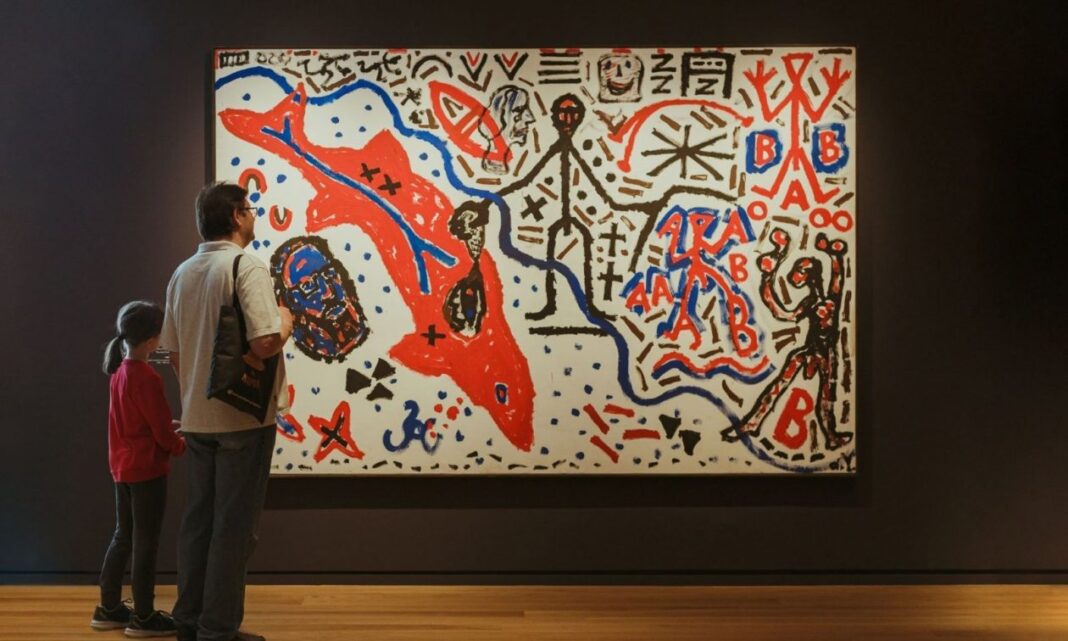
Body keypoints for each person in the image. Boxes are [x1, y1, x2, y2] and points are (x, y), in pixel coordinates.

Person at [160, 182, 293, 641]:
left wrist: (194, 398)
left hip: (197, 418)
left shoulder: (182, 272)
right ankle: (217, 628)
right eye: (250, 209)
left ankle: (189, 620)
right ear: (236, 215)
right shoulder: (245, 265)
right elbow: (265, 341)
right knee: (234, 528)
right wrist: (286, 321)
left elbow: (174, 353)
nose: (253, 216)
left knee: (198, 523)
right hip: (243, 418)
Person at [92, 301, 186, 637]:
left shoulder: (120, 373)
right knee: (146, 542)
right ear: (151, 340)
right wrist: (181, 443)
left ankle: (108, 607)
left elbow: (137, 423)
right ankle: (144, 616)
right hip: (147, 470)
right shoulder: (147, 377)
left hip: (123, 468)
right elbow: (160, 432)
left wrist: (166, 430)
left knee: (124, 535)